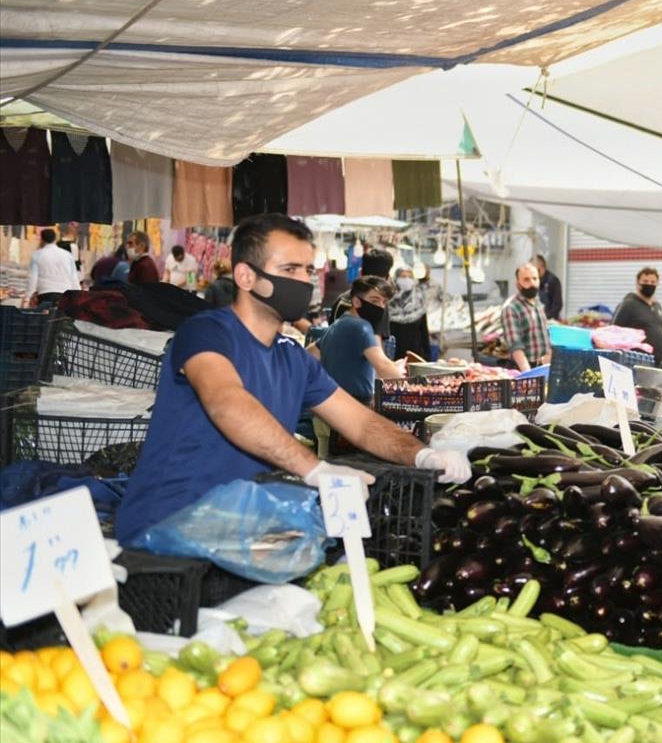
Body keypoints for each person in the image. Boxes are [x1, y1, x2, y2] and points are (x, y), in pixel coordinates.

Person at [114, 214, 469, 546]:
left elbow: (360, 424)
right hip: (166, 533)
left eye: (307, 270)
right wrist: (315, 469)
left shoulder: (293, 357)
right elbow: (227, 403)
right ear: (246, 276)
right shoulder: (207, 332)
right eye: (289, 269)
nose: (303, 281)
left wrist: (421, 455)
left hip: (240, 535)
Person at [310, 276, 405, 404]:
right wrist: (398, 371)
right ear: (356, 302)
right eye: (375, 301)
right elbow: (383, 367)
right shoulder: (361, 327)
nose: (381, 307)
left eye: (384, 302)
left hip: (331, 403)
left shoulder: (338, 324)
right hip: (353, 405)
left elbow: (310, 353)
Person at [501, 264, 551, 372]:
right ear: (518, 284)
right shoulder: (511, 308)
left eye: (534, 278)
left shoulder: (537, 303)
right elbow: (515, 345)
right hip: (524, 370)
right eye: (526, 280)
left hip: (542, 368)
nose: (532, 283)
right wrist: (528, 373)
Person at [613, 267, 662, 366]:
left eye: (653, 282)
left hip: (655, 363)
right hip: (634, 361)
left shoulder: (657, 307)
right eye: (645, 281)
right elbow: (614, 331)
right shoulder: (628, 304)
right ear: (638, 283)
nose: (649, 284)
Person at [386, 267, 432, 361]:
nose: (406, 279)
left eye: (409, 276)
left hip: (416, 355)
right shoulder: (388, 303)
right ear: (396, 278)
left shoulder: (419, 302)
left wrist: (428, 358)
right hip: (394, 356)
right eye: (403, 276)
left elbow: (424, 333)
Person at [25, 228, 80, 307]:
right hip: (64, 293)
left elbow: (32, 278)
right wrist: (77, 295)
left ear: (42, 239)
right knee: (61, 318)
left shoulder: (37, 255)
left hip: (45, 293)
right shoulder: (67, 255)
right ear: (55, 239)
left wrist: (28, 296)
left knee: (46, 318)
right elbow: (74, 277)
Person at [534, 254, 563, 322]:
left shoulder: (552, 280)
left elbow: (557, 305)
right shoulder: (534, 281)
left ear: (541, 267)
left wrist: (546, 317)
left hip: (549, 321)